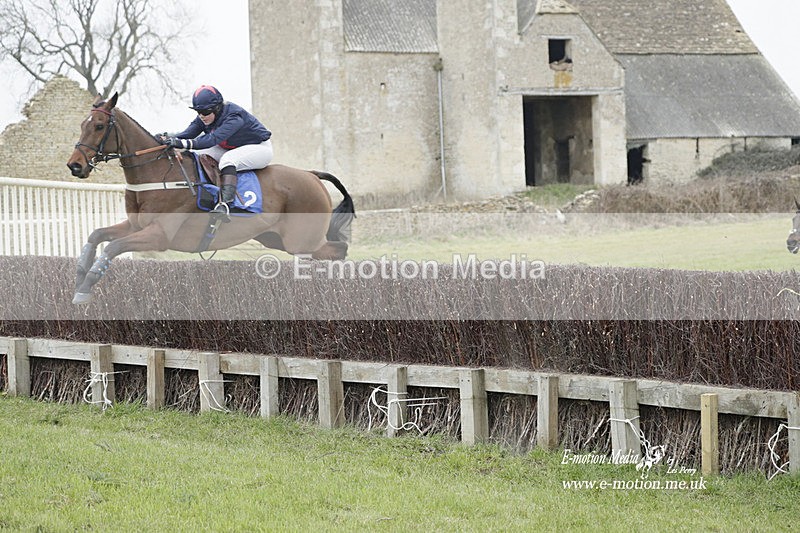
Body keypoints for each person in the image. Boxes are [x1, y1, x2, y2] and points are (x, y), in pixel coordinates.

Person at [159, 85, 272, 216]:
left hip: (259, 148)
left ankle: (225, 204)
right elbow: (188, 133)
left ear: (217, 108)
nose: (201, 116)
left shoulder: (234, 116)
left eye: (205, 112)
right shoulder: (205, 116)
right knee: (198, 155)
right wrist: (167, 138)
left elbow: (212, 140)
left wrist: (180, 143)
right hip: (230, 147)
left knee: (227, 161)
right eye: (198, 112)